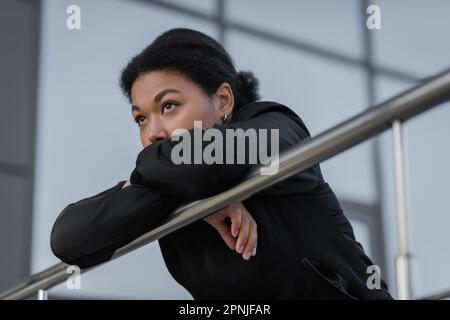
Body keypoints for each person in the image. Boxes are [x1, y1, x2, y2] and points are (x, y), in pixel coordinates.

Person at [50, 28, 393, 300]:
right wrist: (197, 200)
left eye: (168, 106)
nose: (153, 133)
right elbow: (69, 239)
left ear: (224, 100)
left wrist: (180, 189)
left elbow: (201, 165)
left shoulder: (278, 129)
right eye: (140, 118)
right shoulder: (163, 176)